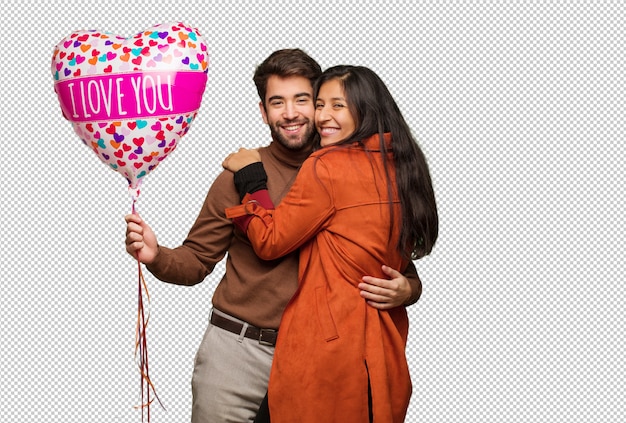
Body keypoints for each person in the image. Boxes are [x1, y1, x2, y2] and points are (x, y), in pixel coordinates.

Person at [124, 51, 424, 422]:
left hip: (320, 359)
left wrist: (408, 287)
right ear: (264, 112)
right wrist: (157, 256)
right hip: (238, 350)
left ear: (320, 107)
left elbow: (383, 255)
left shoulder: (352, 174)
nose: (291, 113)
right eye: (277, 102)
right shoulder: (238, 175)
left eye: (303, 100)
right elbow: (197, 260)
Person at [223, 65, 438, 422]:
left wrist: (251, 175)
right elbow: (383, 256)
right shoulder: (401, 166)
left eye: (337, 106)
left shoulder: (327, 165)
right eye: (320, 105)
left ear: (365, 110)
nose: (323, 117)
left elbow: (271, 241)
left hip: (328, 353)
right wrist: (411, 287)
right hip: (380, 356)